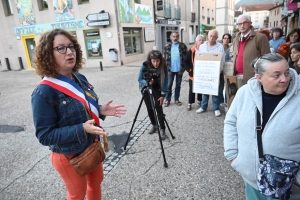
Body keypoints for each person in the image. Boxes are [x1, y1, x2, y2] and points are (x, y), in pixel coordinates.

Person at [31, 28, 127, 200]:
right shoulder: (43, 93)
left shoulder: (79, 77)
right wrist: (82, 128)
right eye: (61, 48)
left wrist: (100, 109)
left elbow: (82, 106)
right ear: (48, 54)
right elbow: (44, 135)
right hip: (68, 155)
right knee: (77, 195)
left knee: (96, 183)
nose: (69, 52)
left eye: (71, 47)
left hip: (91, 146)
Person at [224, 53, 300, 200]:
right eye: (276, 75)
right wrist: (232, 155)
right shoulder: (244, 93)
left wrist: (297, 180)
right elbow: (230, 122)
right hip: (252, 181)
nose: (284, 79)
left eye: (286, 72)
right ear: (259, 77)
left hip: (289, 187)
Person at [232, 14, 270, 87]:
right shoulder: (236, 39)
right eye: (239, 24)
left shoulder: (260, 37)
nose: (242, 26)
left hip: (252, 77)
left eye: (245, 23)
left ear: (250, 23)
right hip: (237, 76)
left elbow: (267, 58)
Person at [138, 50, 168, 140]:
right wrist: (147, 82)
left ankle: (162, 129)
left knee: (158, 107)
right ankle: (154, 125)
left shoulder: (163, 66)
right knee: (149, 107)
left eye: (157, 61)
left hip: (157, 86)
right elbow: (139, 79)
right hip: (146, 87)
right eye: (153, 61)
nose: (155, 63)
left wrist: (163, 95)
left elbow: (166, 81)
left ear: (160, 60)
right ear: (150, 60)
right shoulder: (145, 65)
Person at [195, 29, 225, 117]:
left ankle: (216, 108)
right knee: (205, 90)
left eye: (214, 36)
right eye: (210, 36)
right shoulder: (202, 46)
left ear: (217, 37)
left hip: (216, 72)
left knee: (215, 90)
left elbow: (222, 60)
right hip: (205, 72)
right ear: (208, 36)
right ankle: (203, 106)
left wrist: (217, 72)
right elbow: (199, 59)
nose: (212, 38)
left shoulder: (220, 46)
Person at [163, 31, 187, 107]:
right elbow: (164, 58)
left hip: (180, 70)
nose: (175, 38)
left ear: (178, 37)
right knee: (169, 85)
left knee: (178, 85)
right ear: (171, 37)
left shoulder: (182, 46)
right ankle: (168, 99)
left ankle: (176, 99)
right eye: (174, 36)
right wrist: (167, 68)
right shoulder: (167, 46)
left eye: (176, 36)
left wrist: (184, 68)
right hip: (170, 70)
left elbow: (186, 58)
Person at [184, 34, 205, 111]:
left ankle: (200, 100)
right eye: (200, 40)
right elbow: (185, 61)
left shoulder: (206, 50)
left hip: (202, 73)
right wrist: (189, 69)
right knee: (192, 89)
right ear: (196, 42)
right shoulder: (192, 50)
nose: (201, 41)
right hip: (193, 73)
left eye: (203, 40)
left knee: (200, 88)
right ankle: (190, 103)